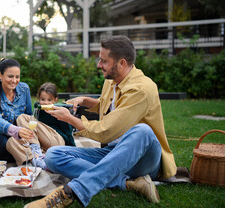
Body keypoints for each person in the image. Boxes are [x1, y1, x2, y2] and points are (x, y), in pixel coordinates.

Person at [24, 36, 177, 208]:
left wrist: (70, 120)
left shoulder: (141, 89)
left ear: (121, 63)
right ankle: (129, 183)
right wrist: (84, 100)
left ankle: (71, 192)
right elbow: (109, 107)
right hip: (113, 153)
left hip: (142, 159)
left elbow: (107, 130)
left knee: (143, 131)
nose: (98, 65)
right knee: (53, 155)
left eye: (104, 61)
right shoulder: (111, 81)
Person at [34, 82, 75, 146]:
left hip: (56, 138)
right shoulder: (37, 109)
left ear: (55, 100)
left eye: (49, 100)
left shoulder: (59, 111)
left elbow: (67, 131)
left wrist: (71, 146)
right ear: (38, 98)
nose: (46, 103)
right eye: (42, 99)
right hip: (41, 138)